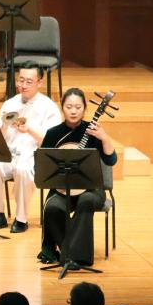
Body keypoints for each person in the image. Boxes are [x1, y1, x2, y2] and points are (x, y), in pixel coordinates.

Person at [38, 87, 117, 266]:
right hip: (62, 188)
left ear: (85, 108)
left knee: (86, 201)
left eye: (78, 107)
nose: (73, 111)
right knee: (52, 207)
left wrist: (104, 138)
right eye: (69, 107)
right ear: (62, 108)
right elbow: (43, 165)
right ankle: (71, 254)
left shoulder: (94, 131)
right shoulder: (53, 134)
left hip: (91, 188)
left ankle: (76, 256)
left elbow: (111, 160)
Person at [0, 64, 61, 233]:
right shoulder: (9, 103)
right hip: (9, 153)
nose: (23, 85)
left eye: (29, 82)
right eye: (21, 80)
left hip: (32, 156)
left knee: (22, 170)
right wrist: (3, 126)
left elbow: (51, 142)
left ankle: (21, 219)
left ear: (39, 83)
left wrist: (29, 130)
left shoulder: (50, 108)